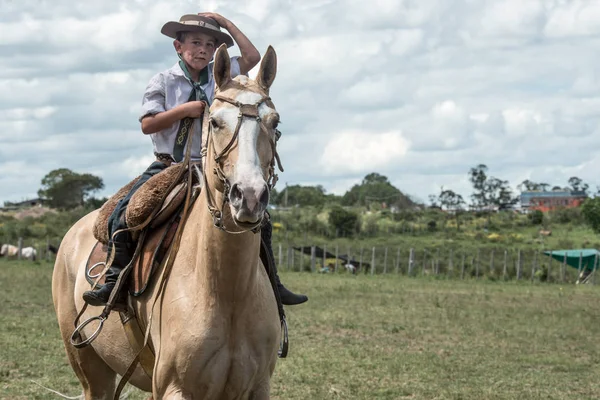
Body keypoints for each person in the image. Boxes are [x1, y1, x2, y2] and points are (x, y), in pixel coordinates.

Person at [83, 13, 307, 308]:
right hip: (170, 165)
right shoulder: (163, 80)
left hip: (210, 167)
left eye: (210, 45)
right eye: (196, 43)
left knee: (260, 219)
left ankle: (273, 283)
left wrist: (225, 23)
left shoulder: (223, 78)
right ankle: (113, 280)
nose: (203, 50)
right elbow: (148, 124)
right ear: (179, 46)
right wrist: (184, 110)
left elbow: (252, 56)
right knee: (127, 212)